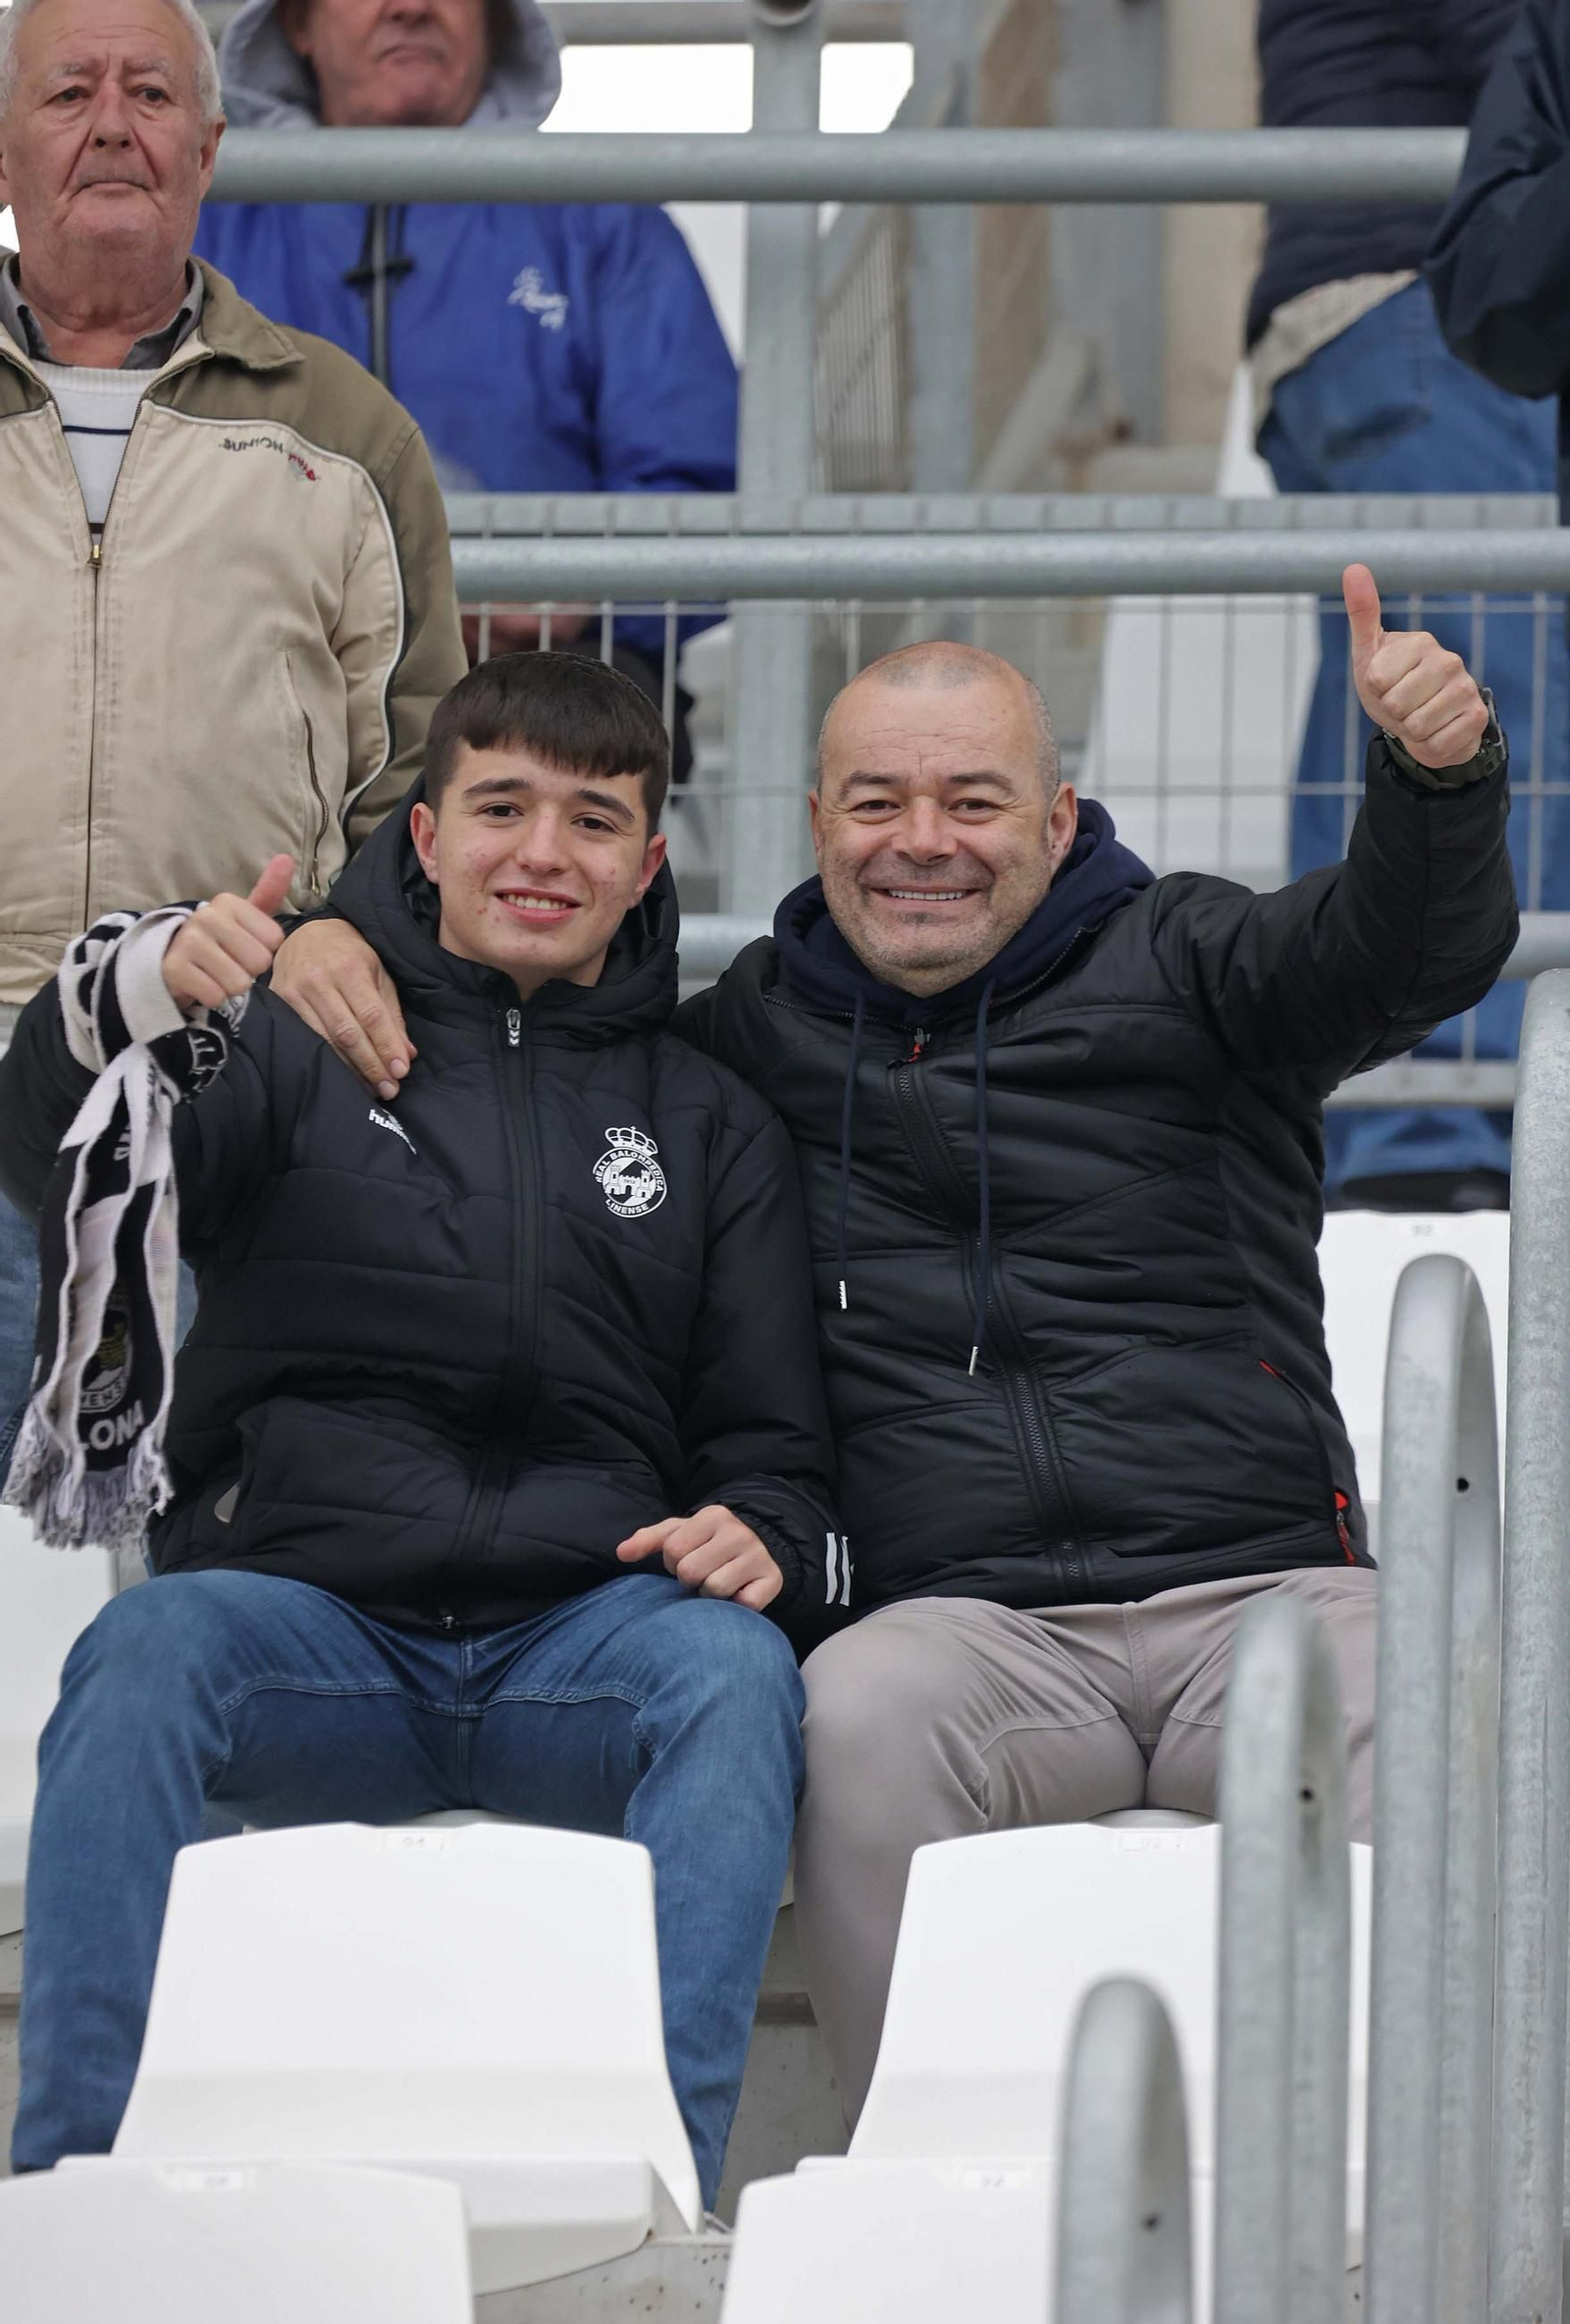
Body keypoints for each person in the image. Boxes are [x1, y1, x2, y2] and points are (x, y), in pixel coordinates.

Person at [278, 570, 1517, 2120]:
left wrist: (1436, 776)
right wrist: (325, 939)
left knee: (1451, 1698)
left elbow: (1413, 944)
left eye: (973, 800)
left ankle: (1424, 2200)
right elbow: (525, 1002)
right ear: (816, 823)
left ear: (1060, 820)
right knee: (850, 1715)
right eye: (878, 800)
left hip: (1260, 1591)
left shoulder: (1196, 965)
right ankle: (904, 2203)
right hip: (966, 1629)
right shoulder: (740, 1052)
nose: (921, 839)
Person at [0, 650, 838, 2194]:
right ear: (427, 835)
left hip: (581, 1645)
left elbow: (774, 1439)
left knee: (731, 1673)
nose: (542, 852)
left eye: (593, 821)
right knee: (140, 1653)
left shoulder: (708, 1112)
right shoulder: (296, 1031)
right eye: (502, 807)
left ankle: (658, 2197)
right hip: (312, 1630)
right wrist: (153, 976)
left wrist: (763, 1528)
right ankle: (71, 2194)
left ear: (649, 863)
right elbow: (46, 1146)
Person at [0, 0, 466, 1481]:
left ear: (210, 151)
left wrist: (338, 935)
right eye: (70, 90)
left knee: (184, 1556)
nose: (114, 123)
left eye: (152, 94)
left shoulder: (345, 429)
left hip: (220, 1095)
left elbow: (428, 778)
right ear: (3, 145)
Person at [192, 0, 739, 779]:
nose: (409, 7)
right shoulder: (204, 226)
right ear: (297, 24)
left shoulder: (604, 218)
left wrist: (562, 594)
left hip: (542, 687)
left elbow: (704, 483)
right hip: (256, 667)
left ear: (497, 18)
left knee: (582, 728)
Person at [1247, 0, 1562, 1210]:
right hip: (1415, 311)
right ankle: (1436, 1125)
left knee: (1402, 705)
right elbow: (1527, 56)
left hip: (1390, 319)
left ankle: (1391, 1106)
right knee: (1480, 706)